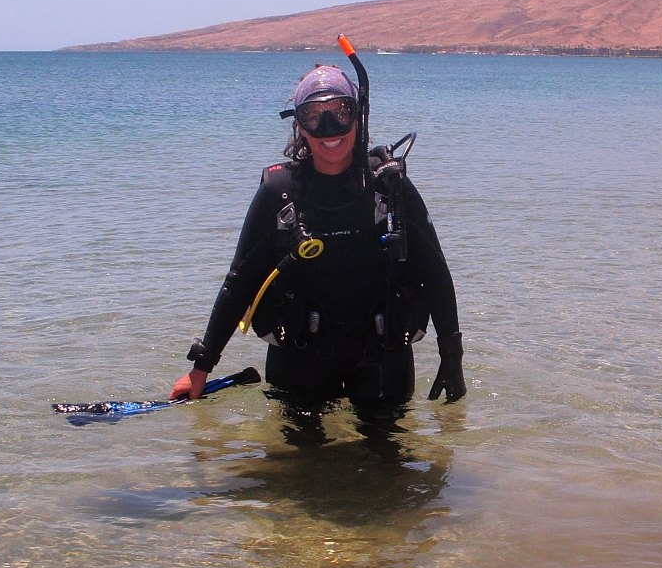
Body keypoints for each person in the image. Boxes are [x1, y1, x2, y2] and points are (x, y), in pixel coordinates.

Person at [170, 42, 464, 409]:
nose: (329, 128)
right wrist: (201, 368)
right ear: (299, 124)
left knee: (389, 461)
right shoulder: (279, 192)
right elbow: (239, 281)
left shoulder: (391, 189)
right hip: (299, 358)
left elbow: (435, 272)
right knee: (296, 464)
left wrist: (452, 358)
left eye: (340, 112)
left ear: (358, 115)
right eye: (313, 115)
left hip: (381, 357)